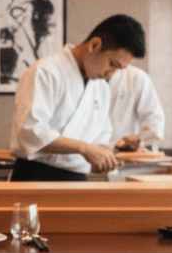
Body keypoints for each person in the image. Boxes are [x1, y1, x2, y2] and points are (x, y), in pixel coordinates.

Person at [9, 15, 145, 181]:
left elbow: (100, 136)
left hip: (77, 179)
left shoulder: (100, 86)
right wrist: (85, 149)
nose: (112, 73)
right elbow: (31, 131)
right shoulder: (46, 71)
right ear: (94, 45)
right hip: (36, 176)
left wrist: (104, 155)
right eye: (113, 64)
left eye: (119, 69)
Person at [103, 17, 164, 150]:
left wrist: (137, 140)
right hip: (87, 155)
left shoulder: (138, 78)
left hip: (125, 156)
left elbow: (154, 120)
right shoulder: (87, 76)